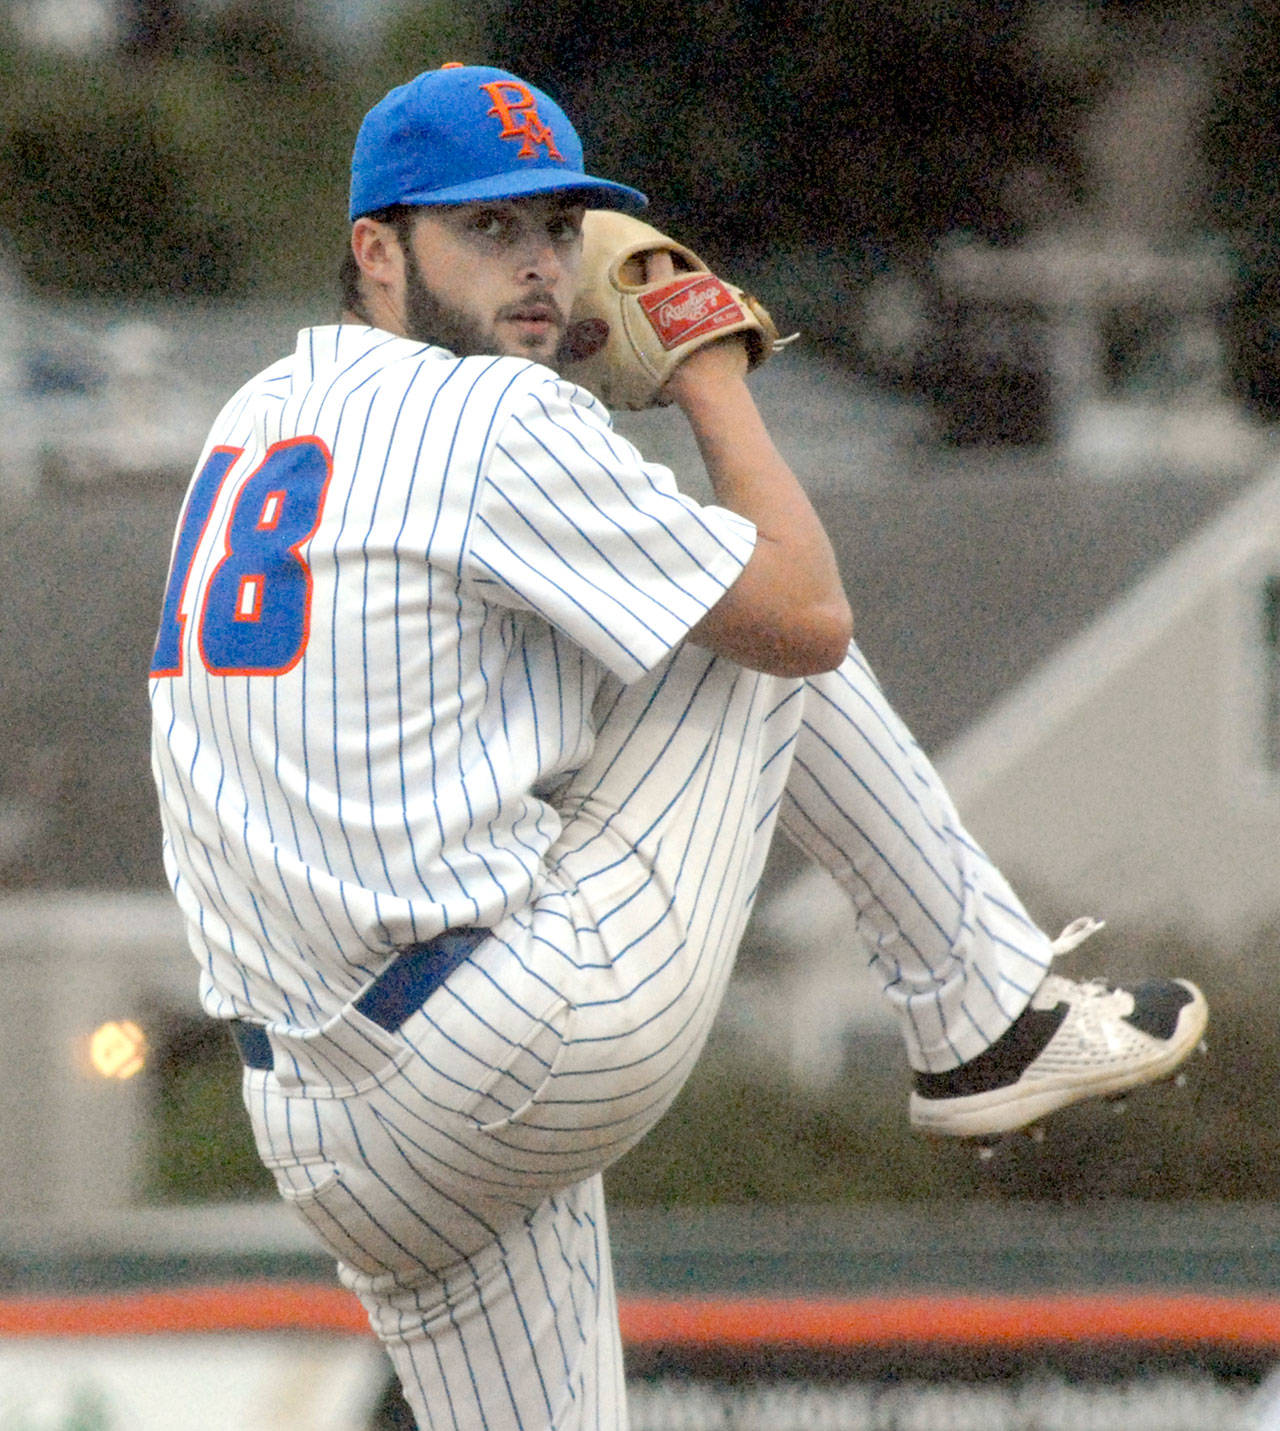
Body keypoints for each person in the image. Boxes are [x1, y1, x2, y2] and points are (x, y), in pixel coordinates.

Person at [148, 64, 1208, 1431]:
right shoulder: (492, 418)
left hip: (320, 1122)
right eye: (487, 231)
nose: (538, 268)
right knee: (748, 627)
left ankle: (989, 1013)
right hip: (502, 1050)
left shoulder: (253, 419)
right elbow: (803, 615)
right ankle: (982, 1013)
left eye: (553, 229)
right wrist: (712, 373)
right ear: (376, 249)